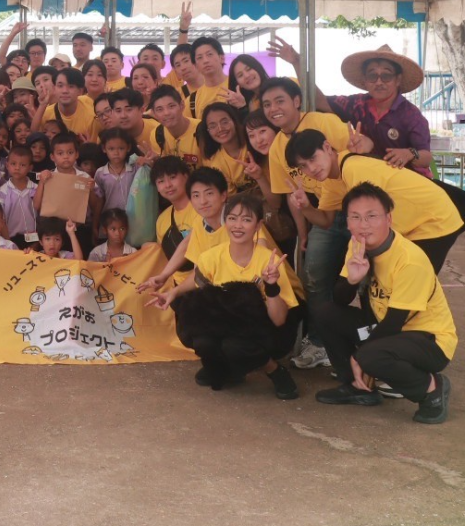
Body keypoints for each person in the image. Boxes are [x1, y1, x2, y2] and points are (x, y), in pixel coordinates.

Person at [313, 184, 455, 424]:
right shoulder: (357, 246)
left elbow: (395, 322)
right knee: (325, 313)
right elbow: (339, 300)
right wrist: (352, 280)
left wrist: (359, 357)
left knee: (370, 355)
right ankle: (358, 387)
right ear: (347, 222)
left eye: (371, 216)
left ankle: (432, 389)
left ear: (388, 219)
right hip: (385, 328)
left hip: (428, 341)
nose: (363, 225)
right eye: (355, 217)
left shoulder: (410, 260)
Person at [148, 193, 301, 399]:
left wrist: (271, 285)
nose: (238, 225)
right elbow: (197, 283)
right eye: (232, 218)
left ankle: (273, 369)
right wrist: (172, 293)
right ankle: (224, 367)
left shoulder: (269, 262)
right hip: (228, 322)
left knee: (236, 347)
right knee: (201, 337)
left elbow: (279, 319)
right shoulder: (210, 257)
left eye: (246, 220)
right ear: (225, 222)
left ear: (258, 225)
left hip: (261, 328)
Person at [261, 76, 365, 370]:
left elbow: (360, 152)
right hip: (326, 211)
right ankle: (321, 343)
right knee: (314, 275)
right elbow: (293, 194)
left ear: (296, 101)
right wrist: (303, 232)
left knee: (369, 281)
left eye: (280, 100)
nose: (273, 109)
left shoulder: (325, 123)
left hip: (362, 211)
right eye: (267, 104)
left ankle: (372, 345)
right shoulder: (277, 148)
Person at [286, 129, 463, 272]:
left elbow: (373, 224)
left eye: (312, 158)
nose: (311, 168)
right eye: (303, 166)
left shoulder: (352, 167)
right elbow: (326, 220)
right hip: (414, 225)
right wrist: (305, 207)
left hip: (434, 220)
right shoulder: (331, 182)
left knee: (412, 285)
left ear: (327, 147)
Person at [274, 39, 432, 177]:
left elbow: (426, 157)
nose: (379, 82)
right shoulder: (356, 104)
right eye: (372, 76)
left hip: (409, 184)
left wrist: (409, 154)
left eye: (386, 76)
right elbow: (318, 100)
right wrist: (297, 62)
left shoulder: (411, 115)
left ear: (398, 80)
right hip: (372, 183)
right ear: (365, 81)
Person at [152, 85, 200, 168]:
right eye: (160, 109)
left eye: (171, 106)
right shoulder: (157, 134)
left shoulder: (201, 129)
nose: (166, 113)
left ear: (182, 105)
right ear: (154, 113)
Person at [0, 145, 37, 247]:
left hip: (34, 239)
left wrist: (37, 243)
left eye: (22, 165)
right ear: (7, 165)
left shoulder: (36, 189)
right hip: (10, 238)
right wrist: (8, 243)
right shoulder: (3, 191)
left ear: (30, 168)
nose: (17, 168)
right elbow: (1, 219)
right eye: (13, 164)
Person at [94, 128, 138, 214]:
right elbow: (99, 199)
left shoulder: (135, 168)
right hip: (109, 217)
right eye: (111, 149)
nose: (116, 153)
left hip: (133, 216)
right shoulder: (100, 173)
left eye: (121, 148)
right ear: (104, 149)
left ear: (128, 148)